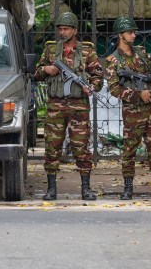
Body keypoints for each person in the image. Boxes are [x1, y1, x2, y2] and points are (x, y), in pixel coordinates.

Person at [33, 12, 103, 200]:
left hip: (79, 105)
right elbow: (37, 73)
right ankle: (52, 189)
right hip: (55, 105)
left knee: (81, 147)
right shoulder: (50, 50)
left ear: (75, 30)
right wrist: (46, 69)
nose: (62, 32)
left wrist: (92, 87)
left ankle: (86, 189)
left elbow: (98, 75)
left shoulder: (87, 51)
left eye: (66, 29)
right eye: (60, 29)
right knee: (52, 147)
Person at [103, 16, 151, 200]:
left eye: (134, 31)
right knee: (129, 149)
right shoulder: (113, 60)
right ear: (121, 35)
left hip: (150, 109)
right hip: (132, 112)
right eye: (130, 32)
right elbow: (115, 89)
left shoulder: (141, 53)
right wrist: (138, 95)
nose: (134, 35)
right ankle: (128, 188)